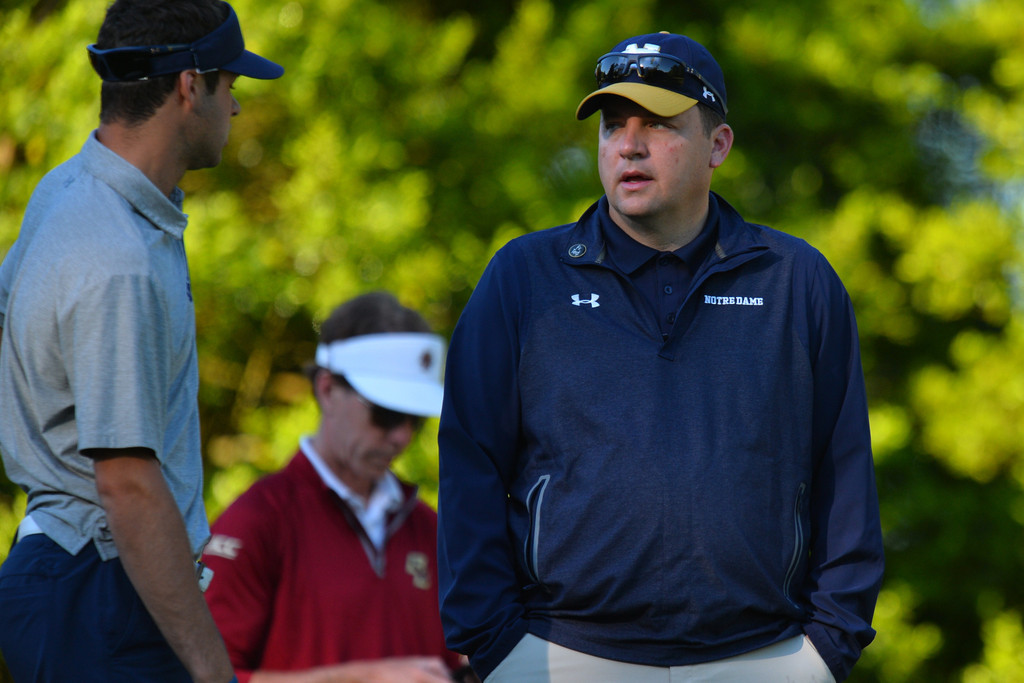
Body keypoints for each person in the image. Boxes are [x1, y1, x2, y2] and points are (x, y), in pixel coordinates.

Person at [436, 31, 884, 683]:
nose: (629, 145)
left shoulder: (797, 282)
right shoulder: (523, 278)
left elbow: (844, 475)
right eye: (614, 126)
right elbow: (470, 462)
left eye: (660, 125)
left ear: (718, 145)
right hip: (558, 657)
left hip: (764, 659)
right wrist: (497, 647)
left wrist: (826, 650)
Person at [0, 2, 282, 681]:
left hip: (75, 578)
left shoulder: (67, 191)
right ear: (190, 86)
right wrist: (213, 669)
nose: (236, 109)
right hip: (99, 586)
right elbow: (126, 482)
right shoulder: (115, 255)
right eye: (230, 84)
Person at [202, 291, 474, 683]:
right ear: (327, 388)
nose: (400, 436)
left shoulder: (430, 529)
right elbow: (205, 675)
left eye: (415, 418)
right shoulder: (257, 520)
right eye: (386, 412)